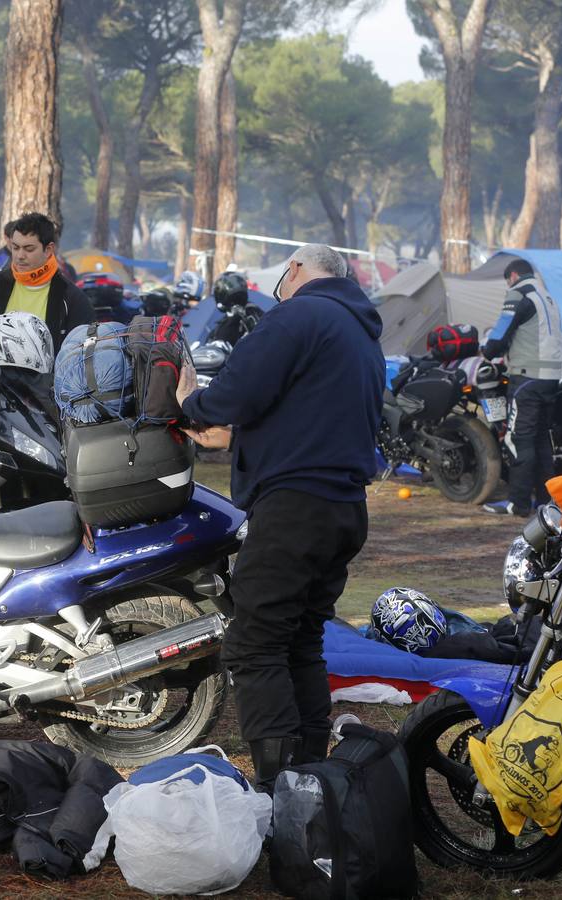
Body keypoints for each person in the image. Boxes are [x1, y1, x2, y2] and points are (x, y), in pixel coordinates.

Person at [175, 243, 384, 790]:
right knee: (299, 640)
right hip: (343, 506)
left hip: (296, 506)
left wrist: (192, 404)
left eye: (282, 278)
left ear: (295, 271)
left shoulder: (300, 314)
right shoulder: (360, 332)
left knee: (255, 643)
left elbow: (239, 389)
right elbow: (303, 413)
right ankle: (313, 776)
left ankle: (277, 786)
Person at [480, 259, 562, 516]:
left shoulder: (519, 292)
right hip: (551, 377)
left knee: (518, 438)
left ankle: (517, 503)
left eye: (508, 280)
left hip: (527, 377)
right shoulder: (548, 297)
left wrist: (488, 351)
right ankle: (544, 501)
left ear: (514, 275)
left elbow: (501, 331)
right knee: (541, 440)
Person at [0, 212, 93, 355]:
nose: (20, 256)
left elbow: (83, 353)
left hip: (48, 377)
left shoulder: (72, 298)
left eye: (29, 249)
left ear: (48, 250)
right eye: (15, 248)